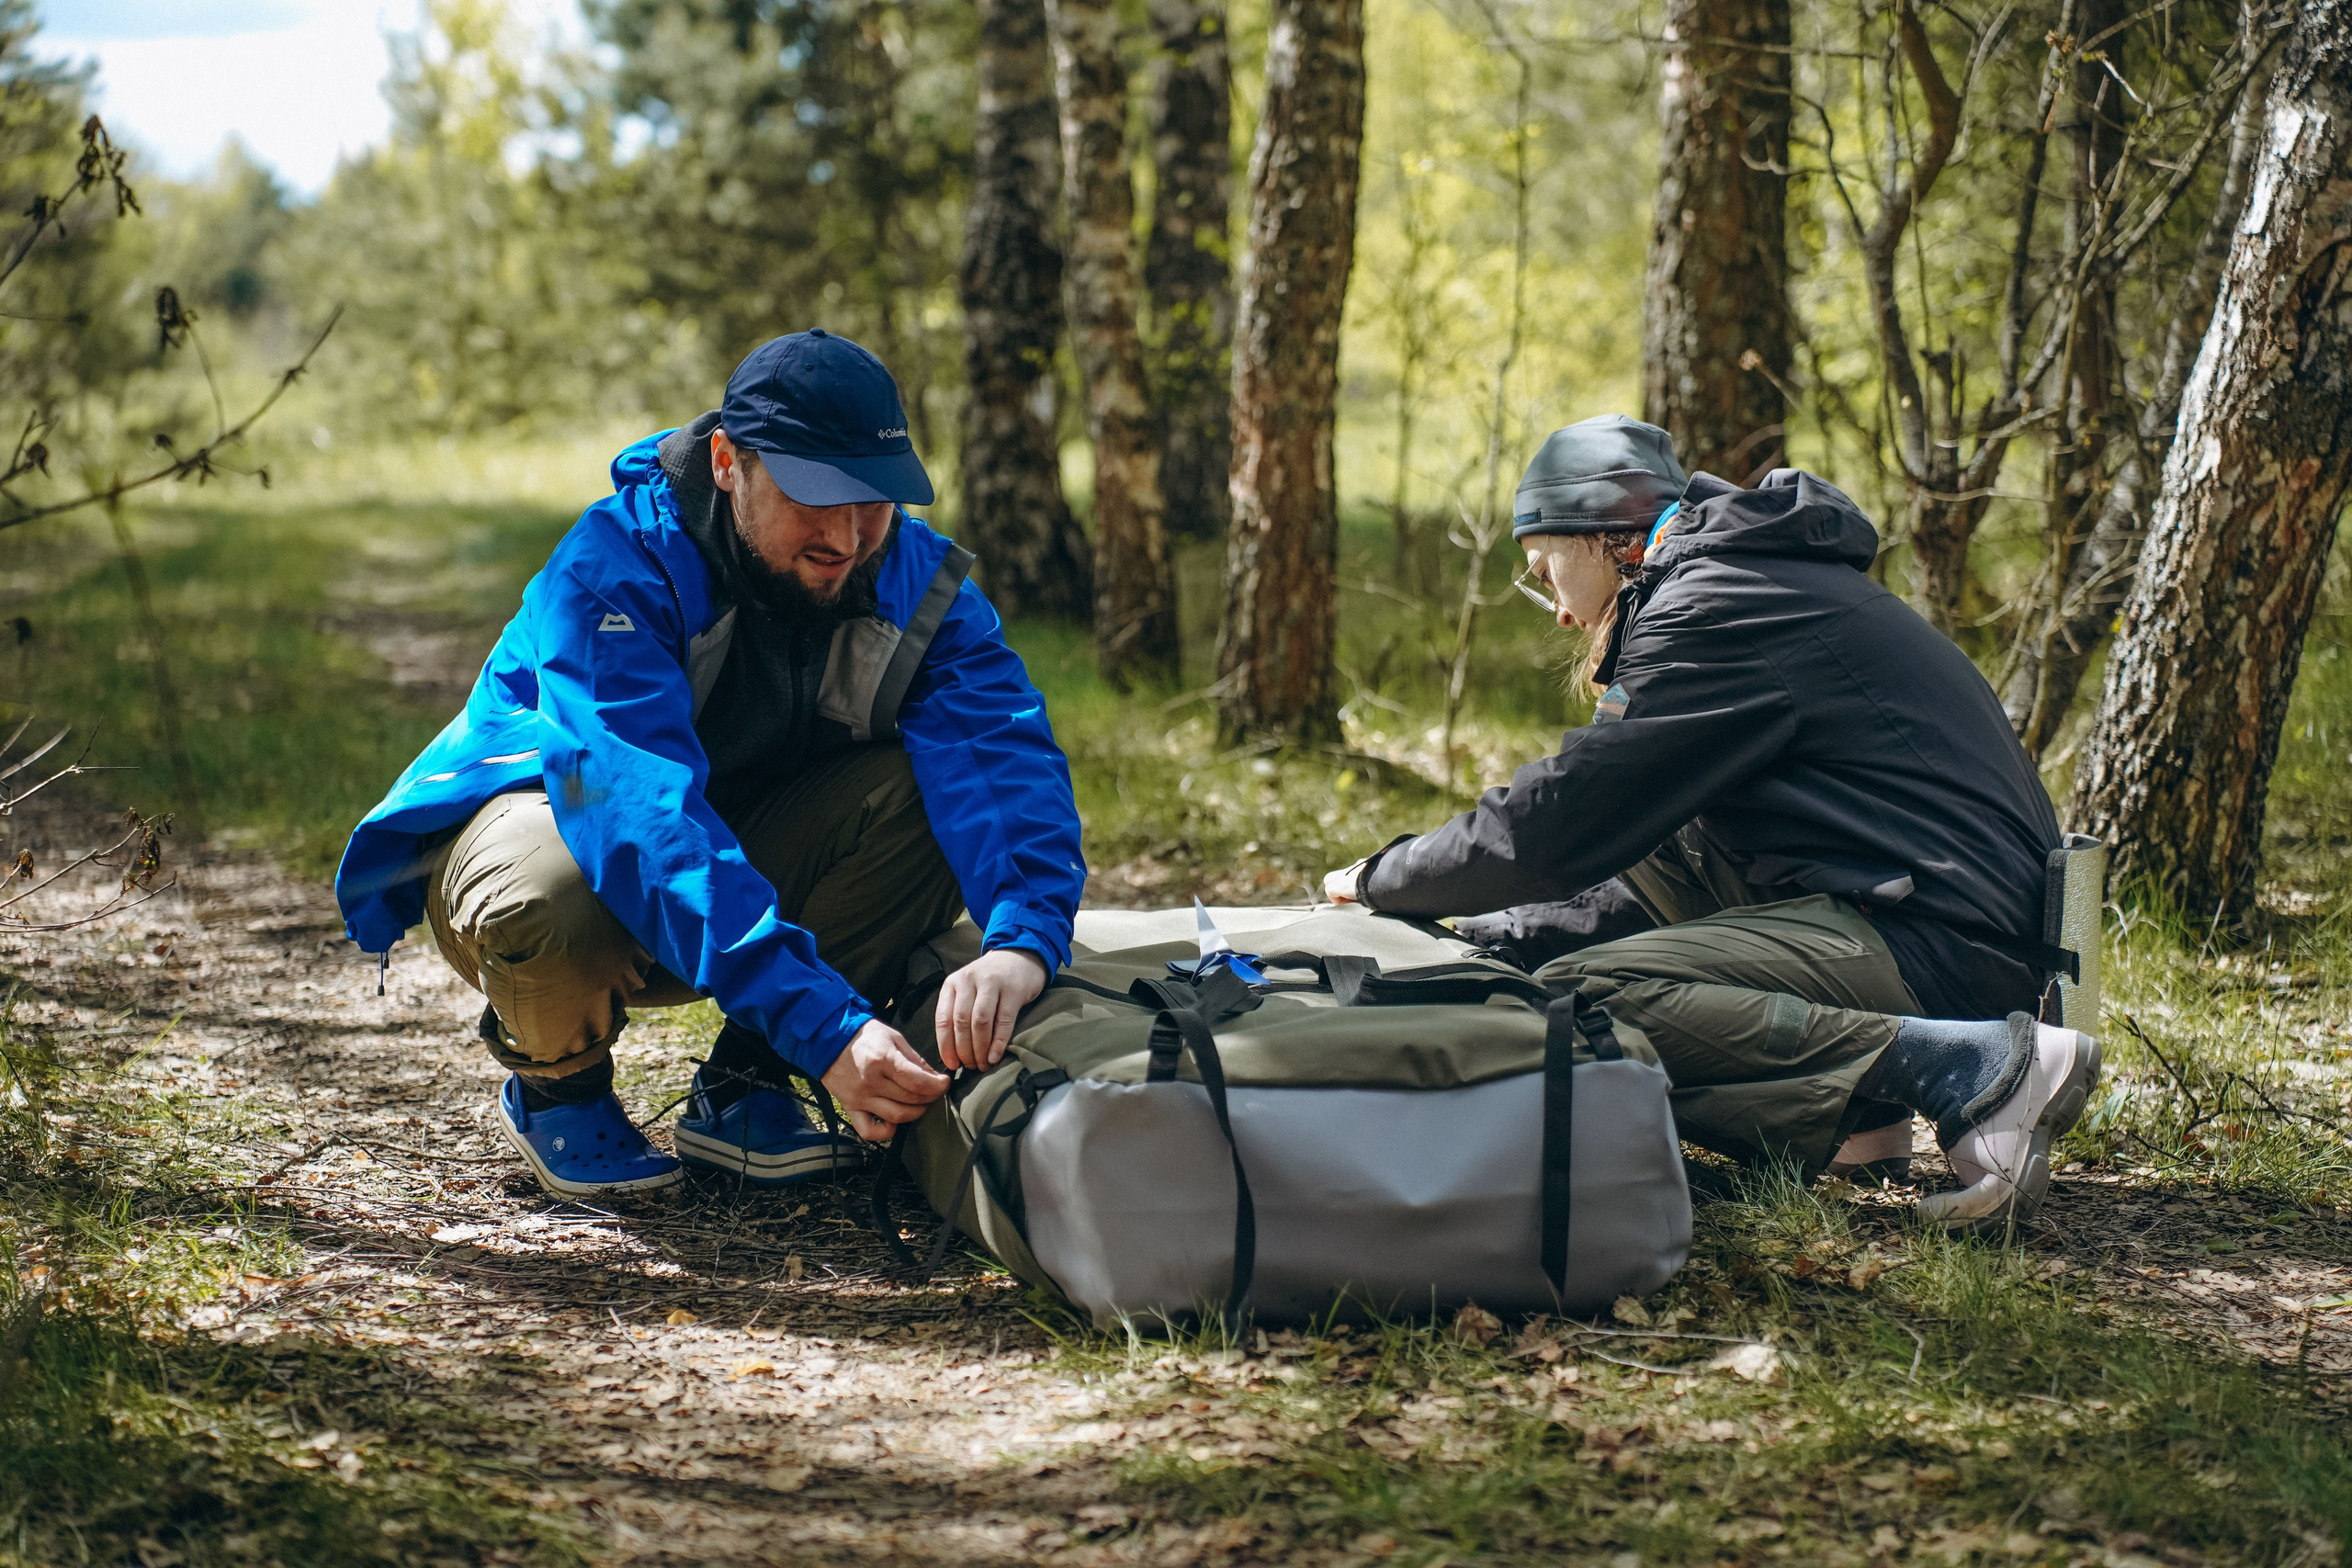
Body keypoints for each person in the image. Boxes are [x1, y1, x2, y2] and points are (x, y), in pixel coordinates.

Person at [337, 331, 1084, 1197]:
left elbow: (1002, 762)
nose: (846, 536)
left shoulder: (920, 585)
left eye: (874, 500)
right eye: (816, 496)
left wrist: (1022, 942)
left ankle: (742, 1089)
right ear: (730, 462)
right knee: (549, 892)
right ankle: (558, 1088)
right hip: (569, 837)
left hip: (733, 858)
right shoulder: (616, 567)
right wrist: (829, 1026)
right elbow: (634, 814)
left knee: (930, 794)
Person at [1324, 415, 2101, 1231]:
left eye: (1543, 570)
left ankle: (1970, 1067)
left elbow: (1555, 827)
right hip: (1952, 913)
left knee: (1585, 1004)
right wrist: (1495, 939)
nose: (1555, 611)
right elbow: (1655, 862)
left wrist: (1383, 877)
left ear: (1603, 538)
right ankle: (1865, 1116)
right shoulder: (1741, 579)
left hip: (1948, 943)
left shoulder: (1712, 606)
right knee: (1661, 831)